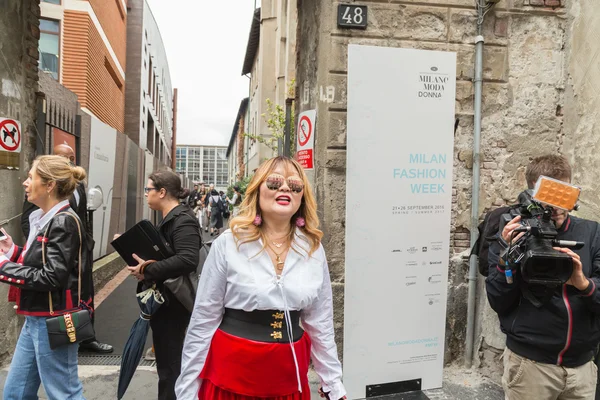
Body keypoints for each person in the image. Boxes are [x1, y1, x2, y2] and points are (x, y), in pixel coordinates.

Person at [175, 156, 347, 400]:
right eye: (275, 182)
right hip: (230, 378)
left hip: (288, 380)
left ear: (301, 196)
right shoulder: (229, 243)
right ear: (257, 191)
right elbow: (203, 320)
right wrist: (187, 391)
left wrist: (333, 383)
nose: (285, 188)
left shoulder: (312, 249)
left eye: (295, 185)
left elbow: (321, 324)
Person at [486, 154, 600, 400]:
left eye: (564, 196)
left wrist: (583, 283)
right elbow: (498, 300)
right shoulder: (511, 234)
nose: (556, 208)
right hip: (530, 367)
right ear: (531, 194)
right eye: (549, 197)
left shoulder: (592, 232)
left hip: (581, 370)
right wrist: (508, 256)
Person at [0, 155, 91, 399]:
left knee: (64, 393)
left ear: (49, 185)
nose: (25, 183)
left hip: (55, 320)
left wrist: (3, 266)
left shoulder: (63, 221)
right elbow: (43, 263)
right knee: (15, 394)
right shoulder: (47, 218)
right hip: (38, 318)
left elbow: (51, 277)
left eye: (31, 177)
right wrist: (11, 251)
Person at [20, 143, 113, 354]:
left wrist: (87, 242)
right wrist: (37, 247)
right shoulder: (39, 190)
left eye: (72, 157)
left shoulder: (76, 185)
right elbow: (27, 221)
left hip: (79, 251)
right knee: (64, 298)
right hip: (46, 290)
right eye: (66, 157)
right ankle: (71, 338)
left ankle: (85, 336)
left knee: (84, 293)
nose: (71, 161)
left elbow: (83, 214)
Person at [125, 170, 201, 400]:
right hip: (168, 299)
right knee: (168, 363)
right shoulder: (171, 218)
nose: (146, 194)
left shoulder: (183, 220)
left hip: (174, 303)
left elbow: (188, 259)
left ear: (162, 192)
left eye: (148, 189)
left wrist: (147, 269)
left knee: (171, 365)